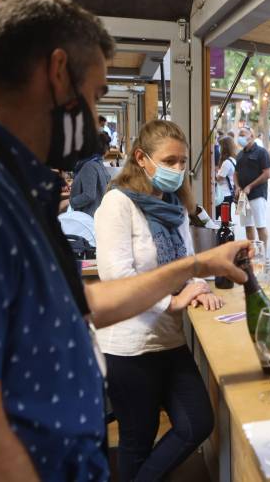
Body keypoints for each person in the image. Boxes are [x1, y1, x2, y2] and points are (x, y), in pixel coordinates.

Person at [0, 0, 250, 481]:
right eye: (96, 95)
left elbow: (77, 303)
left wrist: (196, 266)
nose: (97, 121)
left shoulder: (8, 185)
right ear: (58, 73)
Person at [95, 120, 220, 482]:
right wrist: (173, 302)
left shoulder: (173, 204)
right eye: (170, 161)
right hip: (128, 345)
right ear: (141, 158)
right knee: (137, 439)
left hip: (168, 339)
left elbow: (186, 262)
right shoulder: (117, 204)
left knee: (198, 422)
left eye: (183, 163)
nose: (178, 170)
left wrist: (199, 286)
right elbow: (117, 277)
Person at [233, 126, 270, 246]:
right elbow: (236, 173)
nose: (241, 137)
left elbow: (267, 173)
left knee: (260, 225)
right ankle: (252, 253)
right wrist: (237, 186)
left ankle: (263, 255)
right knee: (247, 226)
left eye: (243, 134)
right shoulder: (239, 154)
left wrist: (250, 186)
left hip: (257, 195)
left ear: (252, 135)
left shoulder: (262, 152)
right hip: (242, 197)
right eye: (240, 134)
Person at [69, 132, 112, 217]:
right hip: (96, 216)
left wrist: (70, 202)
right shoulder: (97, 163)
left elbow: (89, 195)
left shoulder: (89, 166)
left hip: (89, 217)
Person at [215, 135, 237, 215]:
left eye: (220, 145)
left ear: (224, 147)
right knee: (226, 217)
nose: (219, 148)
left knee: (223, 218)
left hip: (223, 195)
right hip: (228, 194)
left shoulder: (226, 163)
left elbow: (219, 178)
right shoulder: (233, 159)